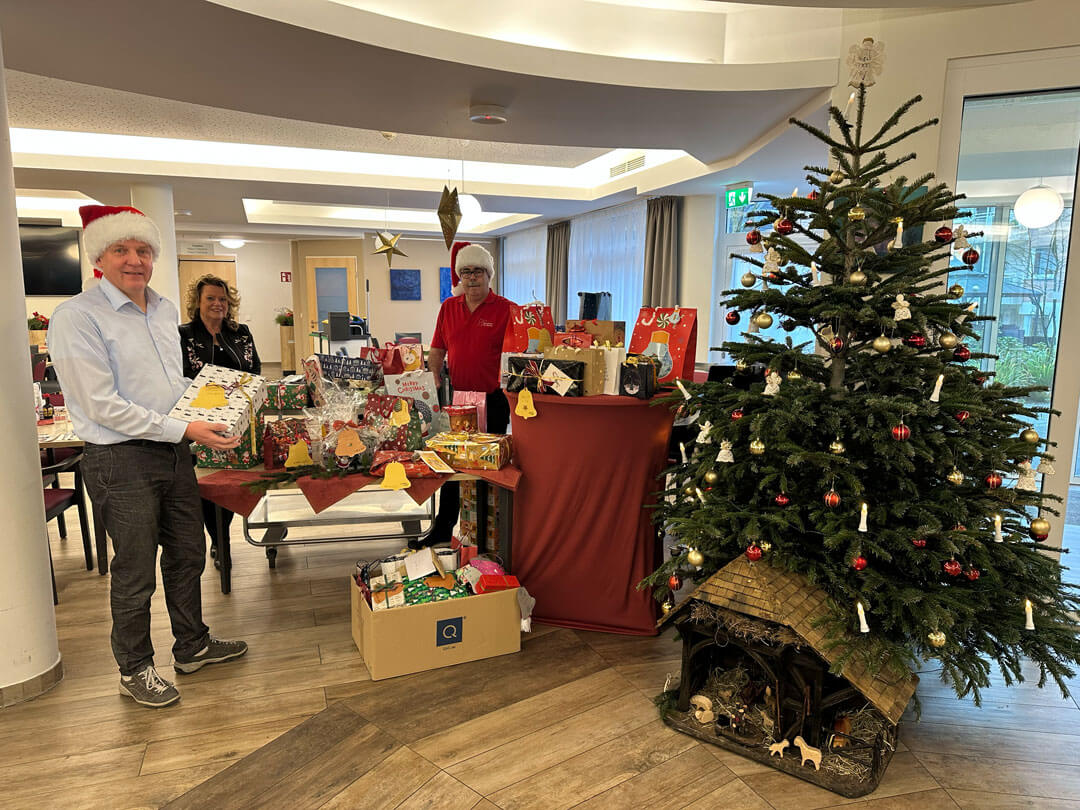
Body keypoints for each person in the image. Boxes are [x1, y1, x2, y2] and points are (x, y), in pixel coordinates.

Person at [48, 205, 249, 709]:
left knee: (188, 552)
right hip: (119, 459)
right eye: (121, 249)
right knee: (135, 569)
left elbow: (168, 384)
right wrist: (188, 426)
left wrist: (222, 402)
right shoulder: (77, 317)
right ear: (99, 257)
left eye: (143, 250)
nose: (134, 260)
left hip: (173, 451)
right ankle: (135, 668)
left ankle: (192, 645)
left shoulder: (161, 309)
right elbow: (102, 405)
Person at [424, 241, 513, 546]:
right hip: (459, 400)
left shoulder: (506, 309)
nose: (472, 277)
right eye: (466, 272)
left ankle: (487, 534)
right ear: (459, 276)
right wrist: (433, 377)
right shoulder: (449, 307)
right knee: (452, 465)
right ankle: (442, 529)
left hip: (494, 399)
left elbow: (517, 354)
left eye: (477, 271)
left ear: (488, 274)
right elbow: (437, 349)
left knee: (487, 467)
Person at [179, 274, 261, 565]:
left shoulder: (241, 332)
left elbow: (254, 369)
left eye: (223, 299)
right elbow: (182, 376)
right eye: (211, 298)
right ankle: (219, 542)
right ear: (198, 302)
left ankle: (250, 529)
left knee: (237, 480)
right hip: (202, 421)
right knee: (211, 484)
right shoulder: (185, 334)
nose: (218, 304)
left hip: (241, 418)